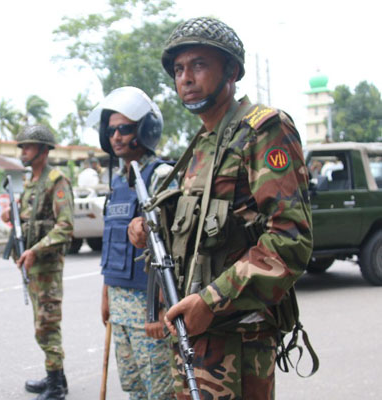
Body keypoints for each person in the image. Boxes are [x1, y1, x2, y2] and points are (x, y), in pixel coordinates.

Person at [128, 17, 312, 399]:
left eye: (198, 64)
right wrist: (148, 228)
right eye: (178, 69)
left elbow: (290, 240)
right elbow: (199, 228)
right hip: (193, 334)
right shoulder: (202, 145)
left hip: (236, 335)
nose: (186, 78)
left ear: (232, 70)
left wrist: (211, 302)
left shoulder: (263, 130)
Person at [89, 86, 175, 399]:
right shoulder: (116, 182)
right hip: (120, 302)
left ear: (144, 130)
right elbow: (113, 244)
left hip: (148, 305)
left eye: (124, 129)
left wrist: (159, 308)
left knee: (160, 390)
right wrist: (106, 295)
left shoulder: (160, 175)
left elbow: (173, 247)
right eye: (111, 130)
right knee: (134, 387)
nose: (116, 136)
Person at [0, 125, 73, 400]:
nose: (23, 151)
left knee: (47, 325)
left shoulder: (57, 181)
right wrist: (12, 213)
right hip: (33, 266)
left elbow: (65, 227)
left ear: (43, 150)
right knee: (41, 324)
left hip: (46, 267)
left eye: (28, 146)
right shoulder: (31, 183)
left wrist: (35, 251)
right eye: (22, 146)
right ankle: (56, 377)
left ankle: (56, 387)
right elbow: (30, 217)